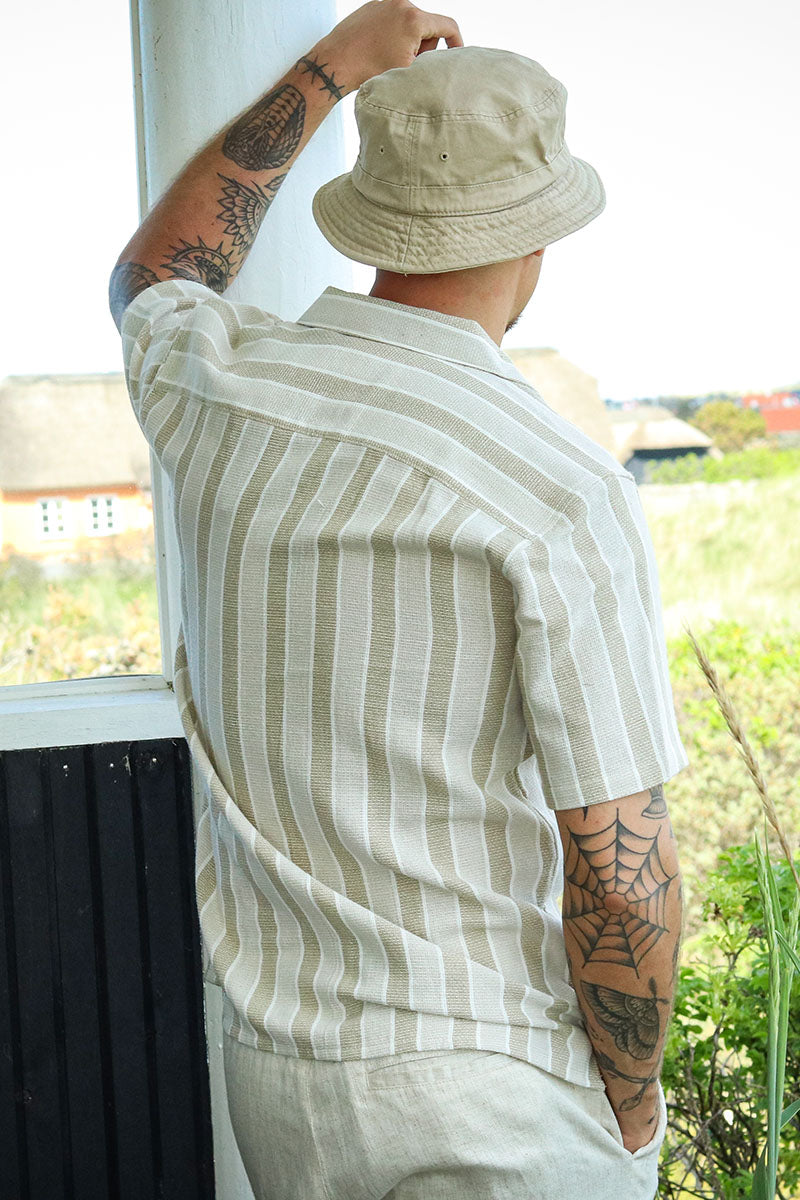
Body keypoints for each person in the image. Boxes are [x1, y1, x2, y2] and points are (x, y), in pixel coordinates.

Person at [110, 2, 689, 1197]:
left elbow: (157, 273)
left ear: (374, 217)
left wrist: (334, 65)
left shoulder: (220, 390)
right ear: (539, 238)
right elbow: (620, 867)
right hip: (495, 1096)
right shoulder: (557, 488)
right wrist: (630, 1109)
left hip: (284, 1086)